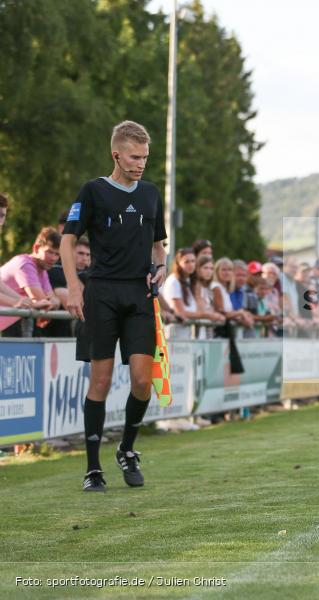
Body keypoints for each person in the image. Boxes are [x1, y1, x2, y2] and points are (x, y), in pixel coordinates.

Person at [60, 120, 167, 492]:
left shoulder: (152, 193)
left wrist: (163, 268)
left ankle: (127, 449)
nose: (140, 164)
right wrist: (74, 286)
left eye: (145, 157)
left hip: (139, 296)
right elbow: (67, 241)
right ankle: (93, 469)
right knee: (101, 382)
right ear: (116, 154)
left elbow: (159, 246)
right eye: (134, 157)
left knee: (142, 381)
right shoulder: (92, 191)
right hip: (101, 294)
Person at [0, 227, 62, 336]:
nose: (53, 258)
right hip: (7, 326)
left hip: (14, 323)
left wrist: (53, 302)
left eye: (57, 254)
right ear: (36, 248)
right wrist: (50, 303)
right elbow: (43, 301)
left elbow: (51, 301)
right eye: (49, 252)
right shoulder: (25, 264)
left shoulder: (42, 270)